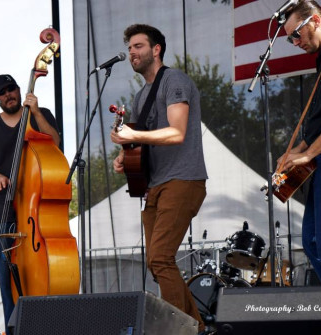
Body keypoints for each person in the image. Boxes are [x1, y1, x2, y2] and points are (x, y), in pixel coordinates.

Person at [111, 24, 208, 333]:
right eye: (129, 49)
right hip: (155, 186)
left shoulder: (175, 81)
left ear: (156, 50)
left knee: (161, 258)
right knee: (157, 263)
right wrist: (124, 156)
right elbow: (141, 143)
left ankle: (179, 329)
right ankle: (197, 328)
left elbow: (177, 132)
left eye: (138, 46)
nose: (131, 53)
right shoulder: (141, 97)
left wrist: (134, 133)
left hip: (183, 180)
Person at [0, 74, 60, 334]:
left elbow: (55, 144)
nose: (9, 94)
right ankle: (14, 331)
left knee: (43, 271)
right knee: (7, 276)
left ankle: (46, 326)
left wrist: (35, 112)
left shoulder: (39, 114)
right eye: (3, 92)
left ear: (20, 90)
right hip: (5, 209)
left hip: (39, 209)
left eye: (12, 89)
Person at [279, 1, 321, 285]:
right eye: (289, 37)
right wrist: (294, 152)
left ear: (315, 21)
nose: (294, 42)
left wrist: (309, 155)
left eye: (296, 34)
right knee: (314, 244)